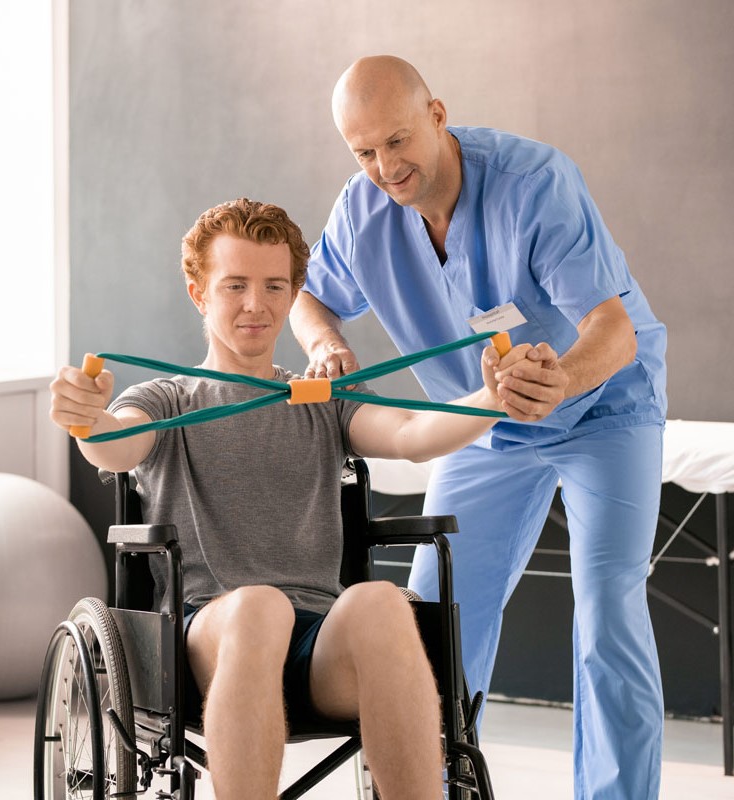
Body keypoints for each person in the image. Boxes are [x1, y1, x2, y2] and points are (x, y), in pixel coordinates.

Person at [49, 197, 531, 800]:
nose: (257, 304)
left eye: (276, 286)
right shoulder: (168, 400)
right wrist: (87, 420)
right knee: (259, 608)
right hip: (206, 641)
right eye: (235, 286)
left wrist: (492, 399)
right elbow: (115, 445)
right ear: (199, 293)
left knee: (383, 600)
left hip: (315, 646)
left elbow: (412, 435)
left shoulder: (322, 399)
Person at [289, 56, 668, 800]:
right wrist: (323, 342)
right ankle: (432, 790)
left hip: (604, 407)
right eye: (363, 152)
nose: (385, 167)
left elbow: (612, 329)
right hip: (486, 424)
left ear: (437, 114)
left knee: (607, 609)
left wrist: (561, 378)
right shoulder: (363, 211)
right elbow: (309, 298)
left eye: (397, 141)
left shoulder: (535, 184)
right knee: (432, 619)